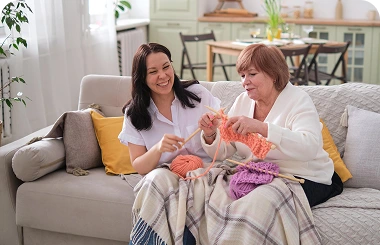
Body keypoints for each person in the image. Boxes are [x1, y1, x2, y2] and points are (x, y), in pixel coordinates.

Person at [199, 43, 343, 208]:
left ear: (273, 74)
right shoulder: (243, 101)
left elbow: (309, 146)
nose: (245, 82)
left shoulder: (298, 99)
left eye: (252, 74)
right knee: (213, 197)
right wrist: (211, 134)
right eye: (242, 75)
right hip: (263, 176)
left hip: (305, 177)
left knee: (260, 203)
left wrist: (262, 128)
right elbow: (225, 149)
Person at [118, 42, 220, 244]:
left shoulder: (198, 95)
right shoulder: (135, 114)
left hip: (206, 174)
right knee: (156, 180)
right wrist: (158, 149)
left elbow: (223, 148)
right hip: (166, 178)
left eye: (166, 67)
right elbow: (139, 166)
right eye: (153, 72)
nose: (163, 76)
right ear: (142, 78)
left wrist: (210, 134)